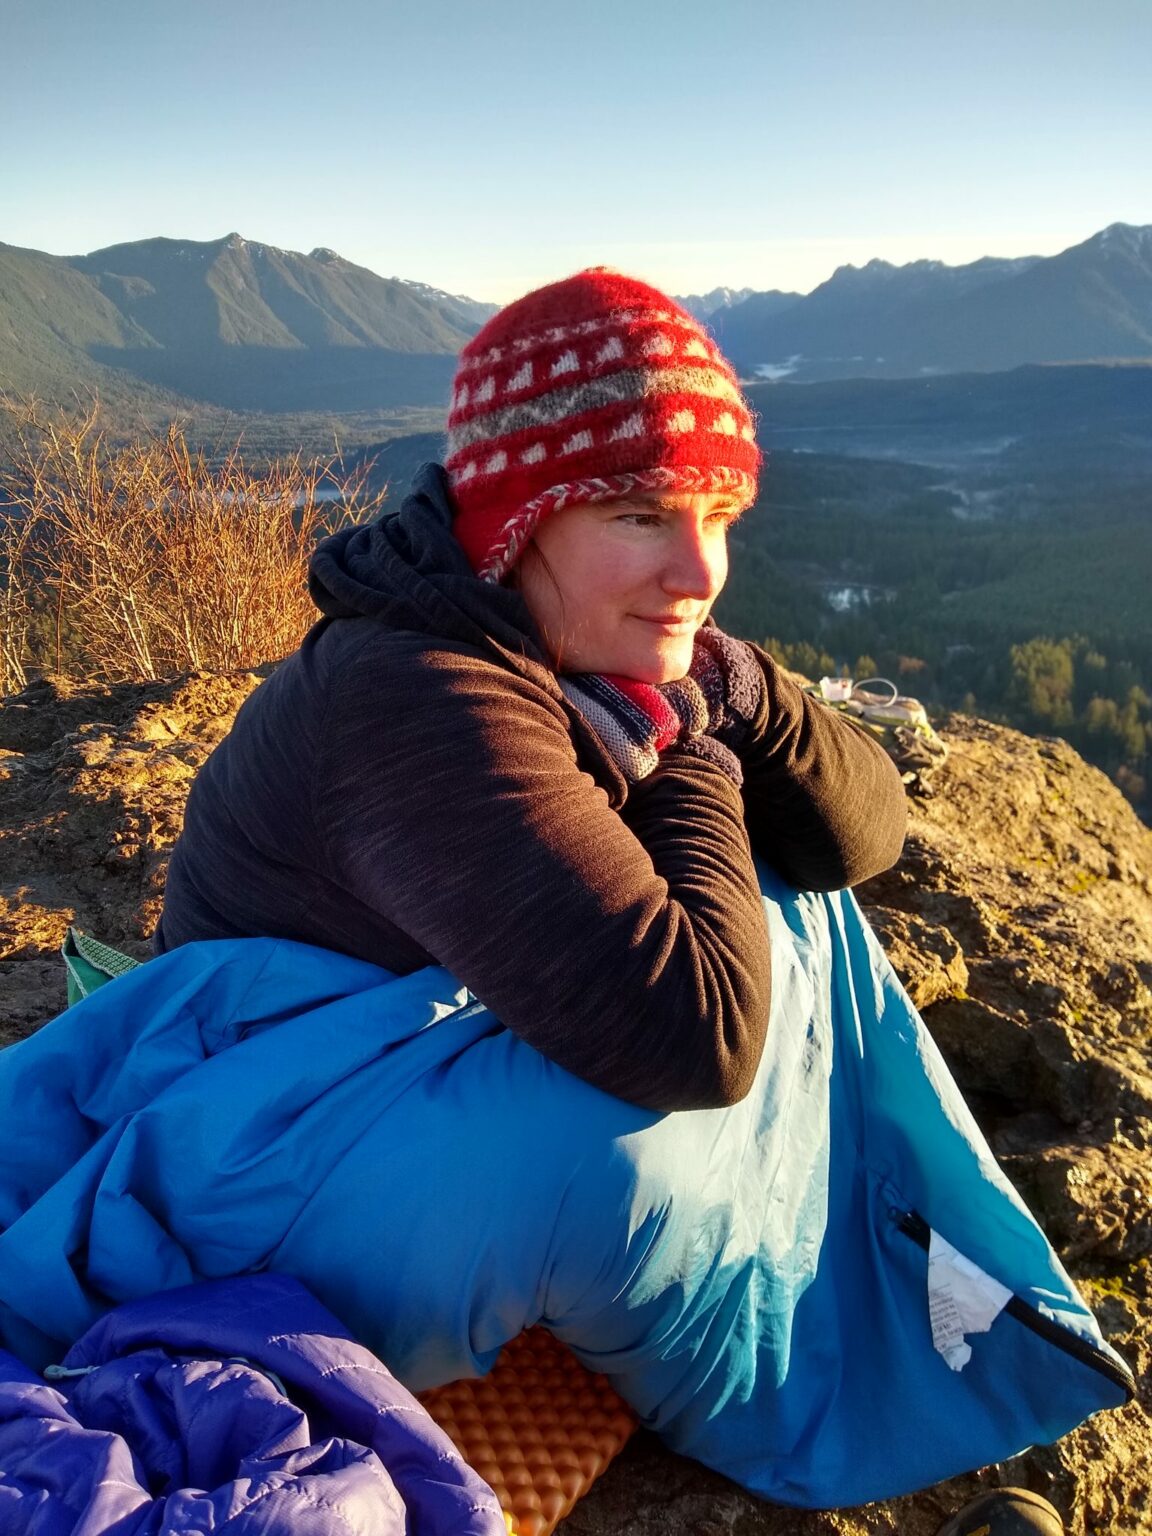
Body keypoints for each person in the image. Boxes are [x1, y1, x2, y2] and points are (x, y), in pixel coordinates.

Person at [146, 270, 1092, 1533]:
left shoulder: (570, 655)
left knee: (795, 898)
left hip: (382, 1082)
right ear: (511, 523)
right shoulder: (416, 696)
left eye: (718, 511)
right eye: (641, 516)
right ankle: (790, 1399)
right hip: (263, 1165)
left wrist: (736, 689)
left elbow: (866, 833)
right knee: (621, 1145)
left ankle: (832, 1265)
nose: (698, 568)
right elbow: (687, 1038)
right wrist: (696, 744)